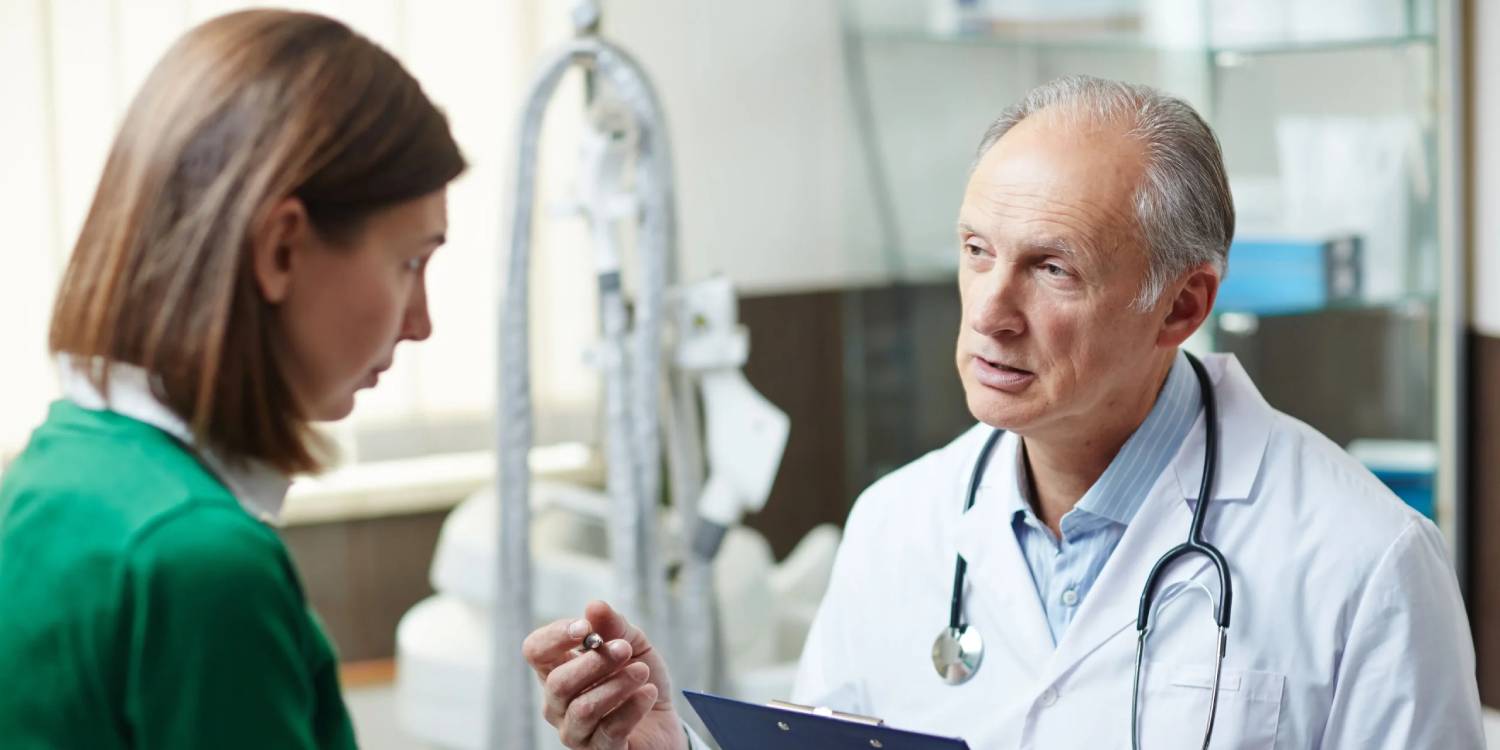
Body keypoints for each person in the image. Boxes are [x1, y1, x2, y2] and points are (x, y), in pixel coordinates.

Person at [521, 75, 1484, 748]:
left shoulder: (1366, 561)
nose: (989, 311)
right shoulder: (898, 522)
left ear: (1183, 305)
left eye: (1051, 267)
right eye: (977, 251)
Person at [0, 10, 464, 748]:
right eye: (410, 261)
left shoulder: (52, 471)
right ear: (282, 248)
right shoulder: (200, 562)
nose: (421, 322)